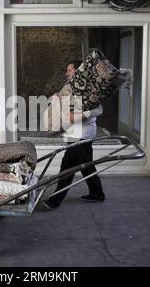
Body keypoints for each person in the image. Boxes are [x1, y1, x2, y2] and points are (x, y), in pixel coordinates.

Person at [43, 60, 106, 210]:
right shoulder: (72, 88)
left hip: (82, 134)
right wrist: (55, 100)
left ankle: (55, 201)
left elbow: (98, 109)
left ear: (78, 71)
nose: (67, 73)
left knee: (67, 167)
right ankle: (97, 194)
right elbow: (65, 111)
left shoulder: (88, 87)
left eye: (70, 70)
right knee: (86, 166)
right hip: (78, 133)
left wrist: (80, 115)